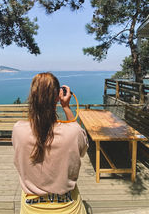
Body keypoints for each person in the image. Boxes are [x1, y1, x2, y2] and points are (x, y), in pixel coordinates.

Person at [12, 72, 88, 214]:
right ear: (57, 98)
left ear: (32, 97)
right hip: (69, 209)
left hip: (31, 208)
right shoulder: (73, 132)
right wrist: (65, 107)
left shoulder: (18, 130)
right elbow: (82, 150)